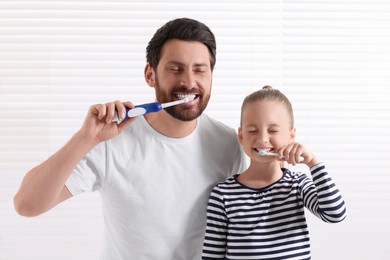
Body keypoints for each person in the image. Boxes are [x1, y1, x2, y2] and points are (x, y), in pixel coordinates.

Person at [13, 18, 246, 259]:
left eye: (200, 69)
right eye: (175, 69)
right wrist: (85, 138)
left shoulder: (228, 144)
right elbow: (26, 204)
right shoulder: (111, 141)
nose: (189, 81)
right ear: (150, 75)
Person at [202, 86, 347, 259]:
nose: (262, 138)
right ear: (241, 136)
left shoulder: (297, 184)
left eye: (273, 130)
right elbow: (212, 255)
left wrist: (312, 162)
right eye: (252, 130)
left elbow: (335, 214)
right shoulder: (223, 194)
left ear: (291, 136)